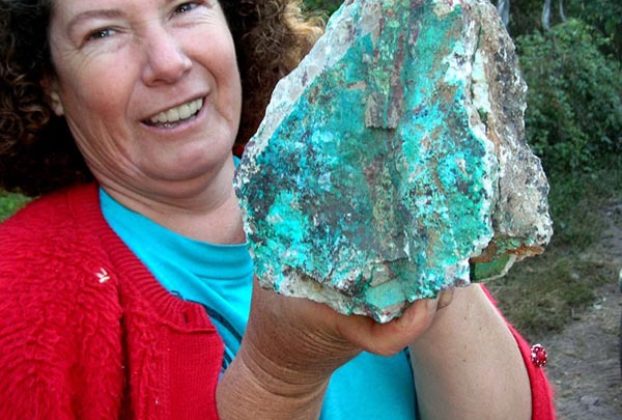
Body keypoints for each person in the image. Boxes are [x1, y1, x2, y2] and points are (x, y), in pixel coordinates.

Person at [0, 0, 555, 418]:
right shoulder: (18, 297)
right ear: (48, 84)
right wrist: (279, 375)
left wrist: (432, 232)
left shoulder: (350, 174)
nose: (168, 62)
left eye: (187, 5)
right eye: (103, 31)